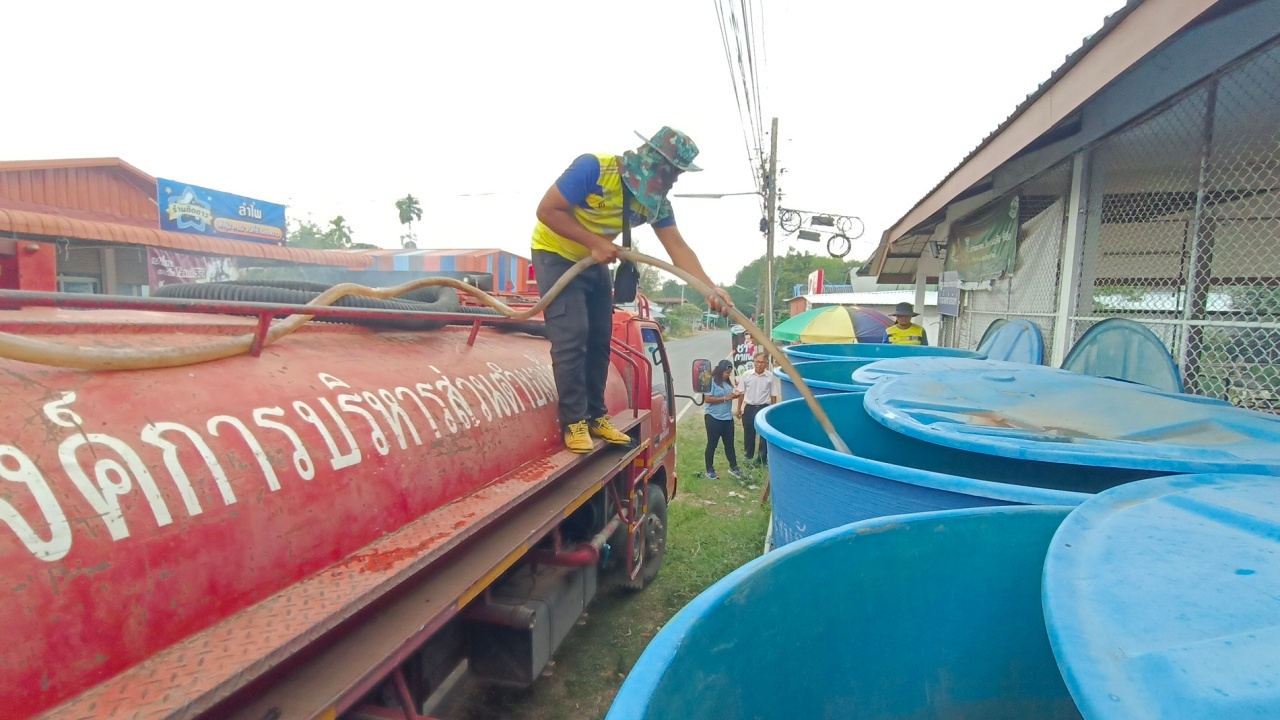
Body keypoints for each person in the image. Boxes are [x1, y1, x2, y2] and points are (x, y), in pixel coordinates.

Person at [531, 127, 733, 454]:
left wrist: (709, 288)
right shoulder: (593, 169)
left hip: (595, 260)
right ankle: (574, 420)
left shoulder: (656, 204)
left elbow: (678, 248)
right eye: (674, 173)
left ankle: (596, 415)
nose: (675, 180)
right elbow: (547, 210)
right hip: (556, 254)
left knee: (599, 338)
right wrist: (596, 243)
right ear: (656, 164)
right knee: (573, 335)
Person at [735, 350, 778, 465]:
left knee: (764, 435)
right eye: (757, 362)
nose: (760, 364)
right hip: (749, 408)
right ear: (753, 362)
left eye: (762, 362)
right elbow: (741, 393)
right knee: (749, 432)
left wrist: (773, 411)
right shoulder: (747, 375)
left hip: (764, 408)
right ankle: (748, 455)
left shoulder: (770, 377)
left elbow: (773, 395)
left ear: (766, 363)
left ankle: (761, 458)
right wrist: (739, 408)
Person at [704, 360, 742, 480]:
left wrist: (735, 395)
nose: (727, 375)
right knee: (712, 444)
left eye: (729, 373)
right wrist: (725, 398)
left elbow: (729, 395)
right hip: (713, 418)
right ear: (720, 371)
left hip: (727, 418)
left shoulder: (727, 383)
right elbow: (708, 399)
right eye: (726, 373)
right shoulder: (711, 381)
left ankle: (734, 467)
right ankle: (709, 469)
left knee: (729, 444)